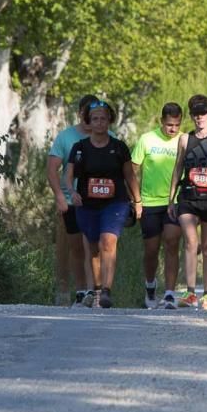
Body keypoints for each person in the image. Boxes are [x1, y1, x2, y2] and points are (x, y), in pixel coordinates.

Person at [62, 100, 140, 309]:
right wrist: (72, 192)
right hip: (87, 204)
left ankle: (106, 291)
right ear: (88, 122)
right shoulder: (80, 148)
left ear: (109, 121)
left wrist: (138, 201)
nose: (99, 122)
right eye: (95, 119)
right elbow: (68, 176)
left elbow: (129, 176)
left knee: (108, 242)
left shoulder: (119, 147)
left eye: (103, 118)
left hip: (115, 203)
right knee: (93, 248)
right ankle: (95, 289)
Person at [167, 94, 207, 311]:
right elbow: (178, 168)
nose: (199, 117)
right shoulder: (184, 140)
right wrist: (171, 198)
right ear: (191, 116)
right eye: (195, 114)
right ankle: (190, 292)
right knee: (190, 243)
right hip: (188, 197)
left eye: (203, 112)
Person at [47, 94, 110, 308]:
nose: (90, 120)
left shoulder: (109, 136)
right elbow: (52, 169)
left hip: (100, 202)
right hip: (72, 202)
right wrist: (59, 196)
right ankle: (81, 292)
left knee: (98, 247)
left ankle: (97, 292)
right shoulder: (66, 138)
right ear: (81, 114)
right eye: (86, 115)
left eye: (94, 115)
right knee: (76, 248)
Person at [131, 103, 184, 309]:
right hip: (150, 202)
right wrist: (135, 200)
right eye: (169, 124)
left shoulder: (184, 140)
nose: (173, 129)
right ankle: (151, 285)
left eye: (177, 124)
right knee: (151, 250)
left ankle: (170, 293)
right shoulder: (147, 139)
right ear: (161, 121)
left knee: (172, 243)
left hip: (175, 201)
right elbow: (132, 170)